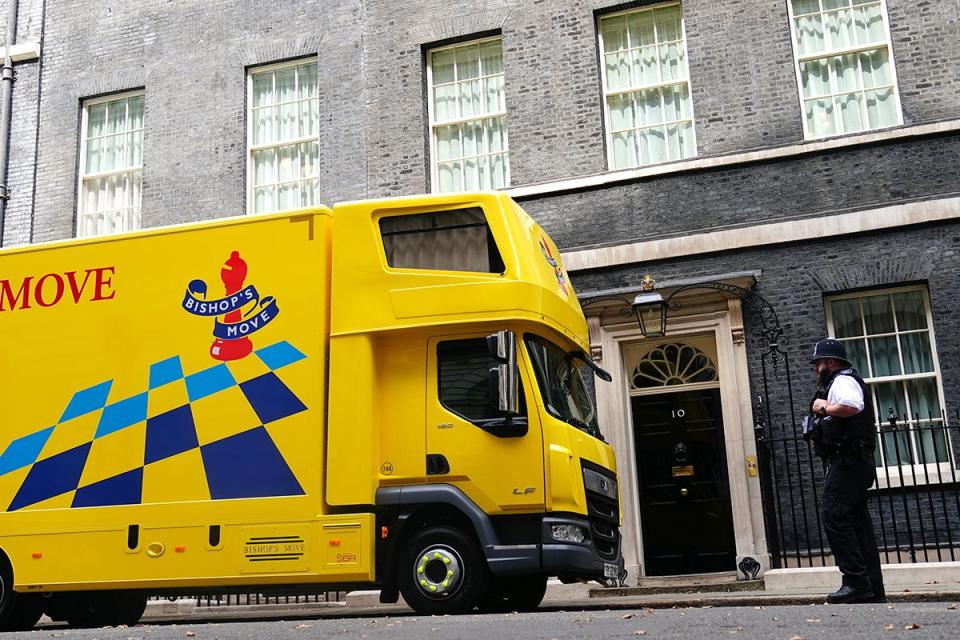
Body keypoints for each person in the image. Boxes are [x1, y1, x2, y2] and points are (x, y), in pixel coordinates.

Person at [806, 338, 885, 604]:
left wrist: (824, 407)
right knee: (857, 524)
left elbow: (852, 405)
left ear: (829, 362)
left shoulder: (842, 380)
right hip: (854, 461)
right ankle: (872, 587)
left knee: (835, 515)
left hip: (849, 461)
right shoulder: (837, 381)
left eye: (818, 363)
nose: (816, 368)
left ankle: (855, 582)